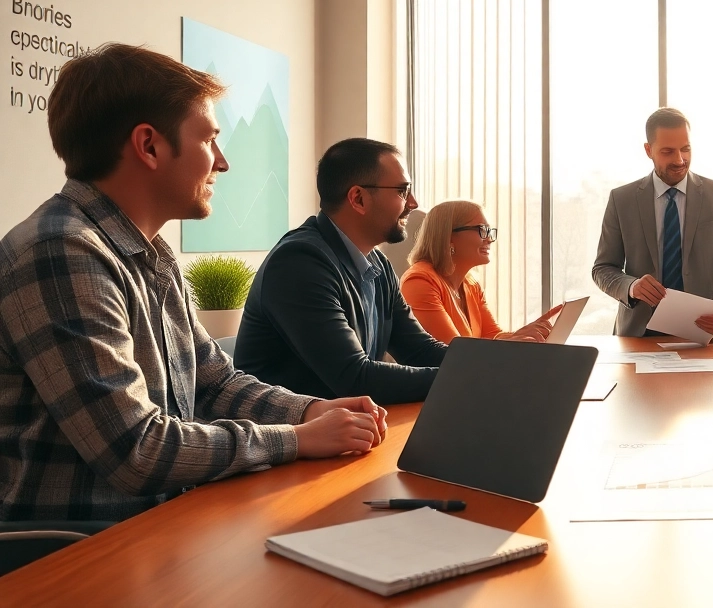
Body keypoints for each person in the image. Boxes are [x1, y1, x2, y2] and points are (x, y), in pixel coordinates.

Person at [0, 45, 386, 523]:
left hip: (158, 528)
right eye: (208, 140)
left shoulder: (152, 252)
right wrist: (295, 439)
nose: (221, 162)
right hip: (76, 554)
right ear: (149, 146)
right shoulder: (60, 251)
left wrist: (309, 411)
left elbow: (214, 383)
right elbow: (135, 451)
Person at [234, 139, 449, 405]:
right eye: (403, 191)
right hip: (288, 441)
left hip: (345, 432)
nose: (413, 203)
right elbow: (354, 378)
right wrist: (463, 378)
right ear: (358, 198)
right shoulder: (298, 262)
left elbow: (419, 349)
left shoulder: (378, 265)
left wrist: (495, 361)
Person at [592, 108, 713, 337]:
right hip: (638, 335)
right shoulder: (621, 200)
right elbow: (603, 268)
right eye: (668, 151)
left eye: (685, 149)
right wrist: (631, 286)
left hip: (705, 334)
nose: (679, 160)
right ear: (648, 150)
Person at [401, 200, 561, 343]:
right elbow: (454, 351)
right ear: (449, 237)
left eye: (490, 231)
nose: (490, 239)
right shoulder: (420, 281)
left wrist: (524, 334)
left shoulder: (471, 284)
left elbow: (492, 336)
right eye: (482, 230)